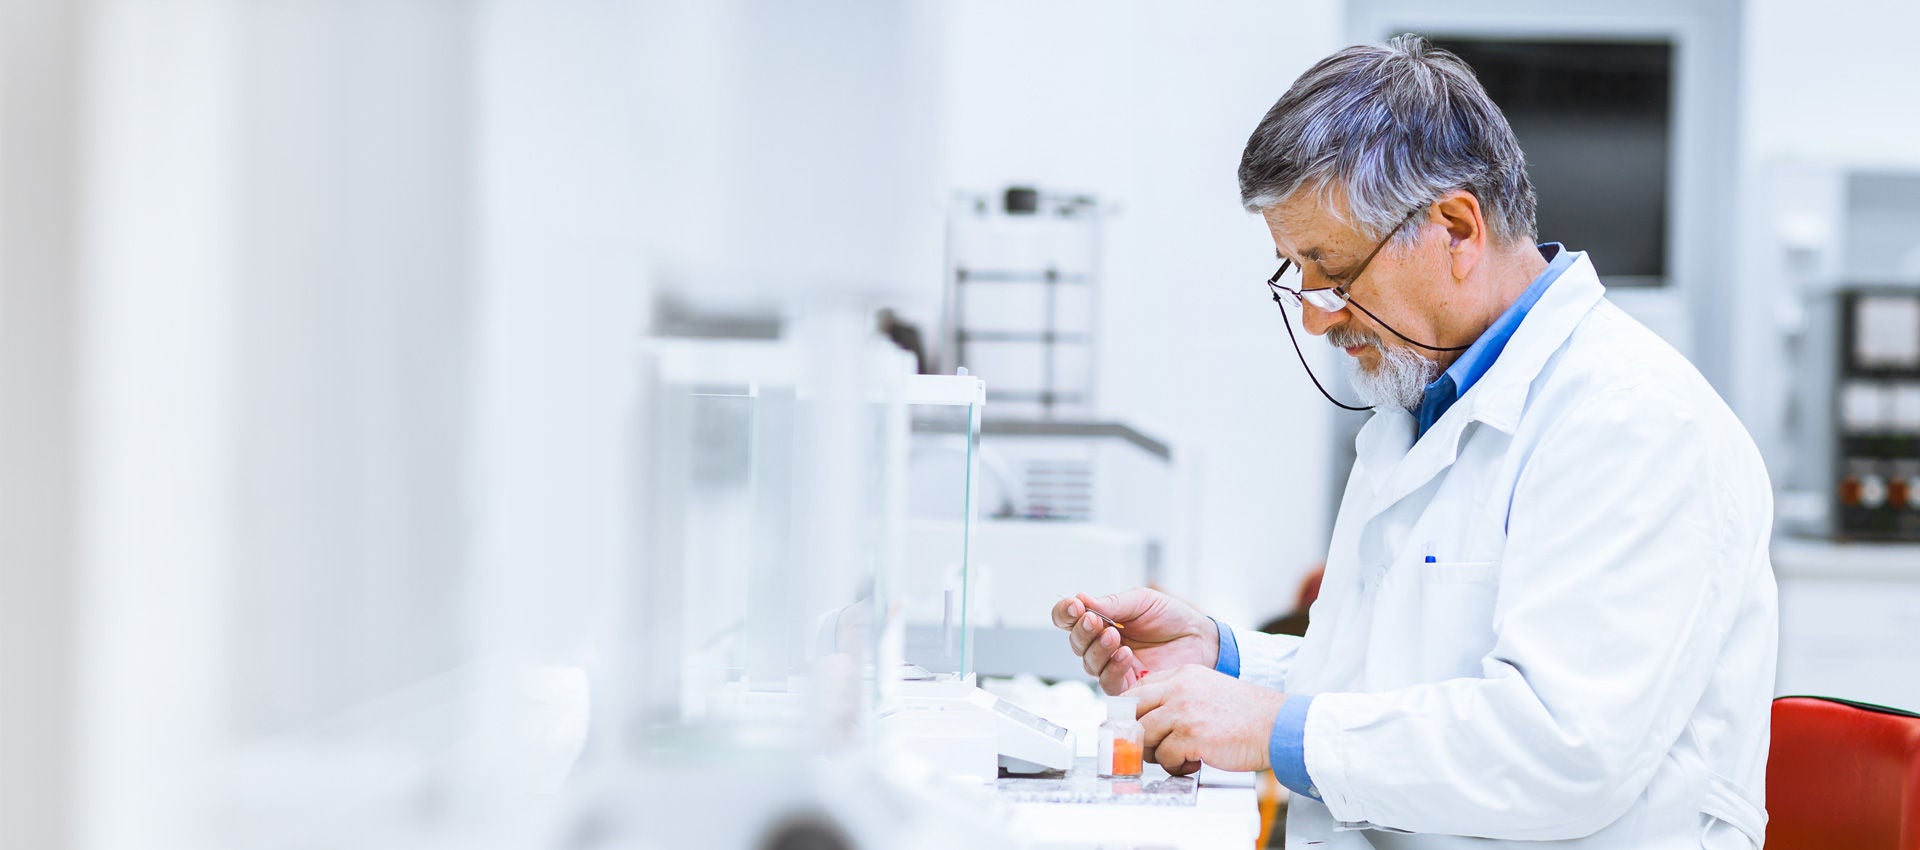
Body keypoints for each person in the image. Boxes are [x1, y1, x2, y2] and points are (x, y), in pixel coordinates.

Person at [1053, 34, 1776, 849]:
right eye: (1297, 273)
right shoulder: (1417, 410)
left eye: (1334, 270)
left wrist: (1274, 732)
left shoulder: (1633, 422)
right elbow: (1399, 681)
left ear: (1457, 228)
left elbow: (1562, 750)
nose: (1318, 313)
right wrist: (1223, 662)